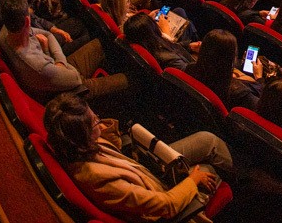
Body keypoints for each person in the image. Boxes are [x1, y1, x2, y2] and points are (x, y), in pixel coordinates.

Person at [43, 93, 231, 223]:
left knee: (208, 140)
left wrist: (102, 128)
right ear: (81, 136)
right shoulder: (99, 179)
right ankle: (237, 187)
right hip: (163, 200)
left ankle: (234, 173)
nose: (98, 121)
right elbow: (166, 205)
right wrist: (193, 179)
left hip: (147, 171)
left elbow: (116, 149)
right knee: (209, 170)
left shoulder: (77, 146)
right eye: (94, 122)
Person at [0, 0, 128, 104]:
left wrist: (59, 62)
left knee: (101, 43)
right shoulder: (39, 68)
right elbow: (76, 78)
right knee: (125, 80)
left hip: (58, 70)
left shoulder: (6, 31)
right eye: (29, 12)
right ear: (27, 21)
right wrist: (56, 59)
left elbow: (48, 34)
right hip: (71, 89)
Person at [185, 29, 261, 110]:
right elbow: (261, 106)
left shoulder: (190, 69)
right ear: (232, 59)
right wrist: (259, 77)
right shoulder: (239, 92)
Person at [123, 13, 193, 71]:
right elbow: (190, 73)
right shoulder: (170, 59)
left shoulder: (151, 45)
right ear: (153, 30)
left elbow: (172, 46)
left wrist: (189, 46)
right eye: (154, 22)